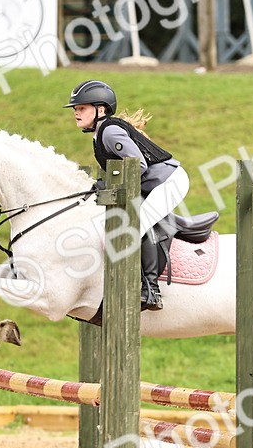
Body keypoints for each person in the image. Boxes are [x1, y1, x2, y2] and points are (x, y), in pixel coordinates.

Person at [65, 79, 189, 310]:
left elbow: (137, 166)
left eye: (81, 107)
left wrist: (107, 184)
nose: (76, 112)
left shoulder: (109, 132)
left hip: (168, 182)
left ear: (100, 109)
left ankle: (151, 288)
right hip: (150, 184)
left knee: (135, 226)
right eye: (75, 108)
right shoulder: (101, 132)